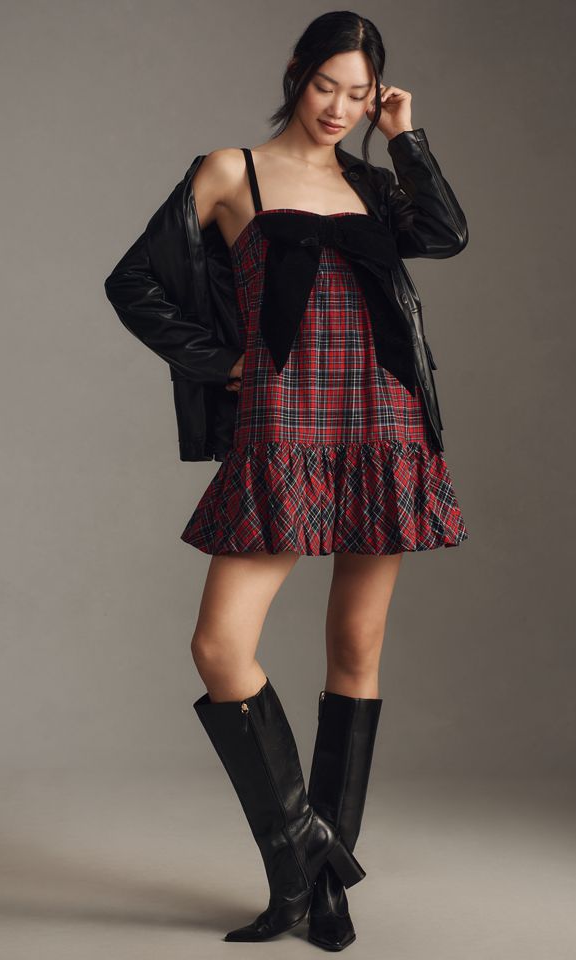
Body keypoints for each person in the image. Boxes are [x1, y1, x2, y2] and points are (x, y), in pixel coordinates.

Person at [105, 10, 469, 950]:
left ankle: (315, 895)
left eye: (359, 95)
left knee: (356, 645)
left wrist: (405, 136)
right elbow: (133, 281)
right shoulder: (232, 171)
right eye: (325, 87)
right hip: (287, 426)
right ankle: (308, 852)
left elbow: (445, 234)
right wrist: (223, 363)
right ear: (296, 75)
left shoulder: (371, 181)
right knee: (220, 645)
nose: (339, 108)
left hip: (384, 420)